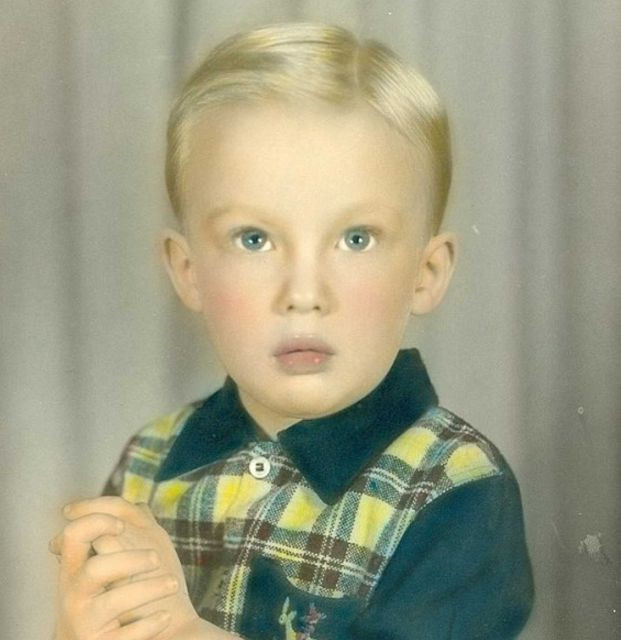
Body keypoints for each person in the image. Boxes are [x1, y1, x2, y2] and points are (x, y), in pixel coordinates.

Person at [49, 22, 534, 640]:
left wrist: (187, 633)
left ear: (427, 272)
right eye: (254, 239)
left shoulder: (457, 488)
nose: (304, 294)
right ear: (189, 271)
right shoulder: (150, 461)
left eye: (355, 239)